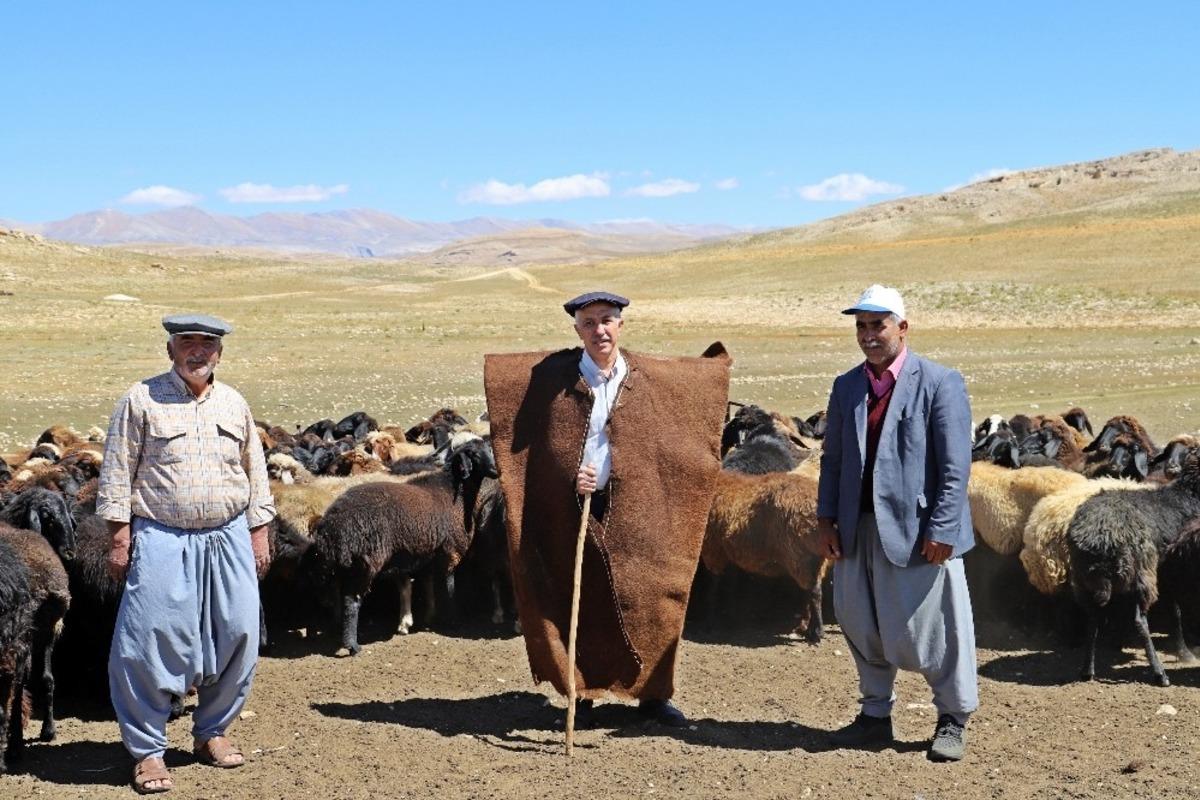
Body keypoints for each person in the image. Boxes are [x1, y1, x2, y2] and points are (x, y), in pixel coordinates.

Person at [483, 291, 730, 728]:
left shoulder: (644, 376)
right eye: (590, 322)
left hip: (639, 504)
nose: (600, 329)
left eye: (608, 320)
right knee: (578, 593)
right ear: (577, 330)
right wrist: (566, 479)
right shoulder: (556, 381)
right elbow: (531, 445)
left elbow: (680, 415)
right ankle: (584, 690)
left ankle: (654, 695)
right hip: (574, 506)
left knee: (653, 595)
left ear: (621, 325)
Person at [96, 314, 275, 793]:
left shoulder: (234, 403)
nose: (198, 351)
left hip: (229, 532)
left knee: (237, 630)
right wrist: (119, 536)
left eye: (208, 344)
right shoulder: (142, 399)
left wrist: (259, 532)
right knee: (150, 636)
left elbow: (253, 471)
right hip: (162, 534)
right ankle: (148, 750)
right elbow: (116, 470)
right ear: (170, 348)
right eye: (187, 342)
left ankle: (211, 731)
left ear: (220, 352)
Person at [816, 285, 978, 762]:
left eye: (878, 325)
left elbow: (955, 466)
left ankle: (953, 717)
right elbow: (834, 459)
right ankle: (874, 717)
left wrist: (944, 528)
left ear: (902, 328)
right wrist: (827, 518)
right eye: (861, 326)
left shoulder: (939, 382)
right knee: (860, 621)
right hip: (857, 526)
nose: (868, 335)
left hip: (920, 530)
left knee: (938, 627)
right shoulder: (848, 386)